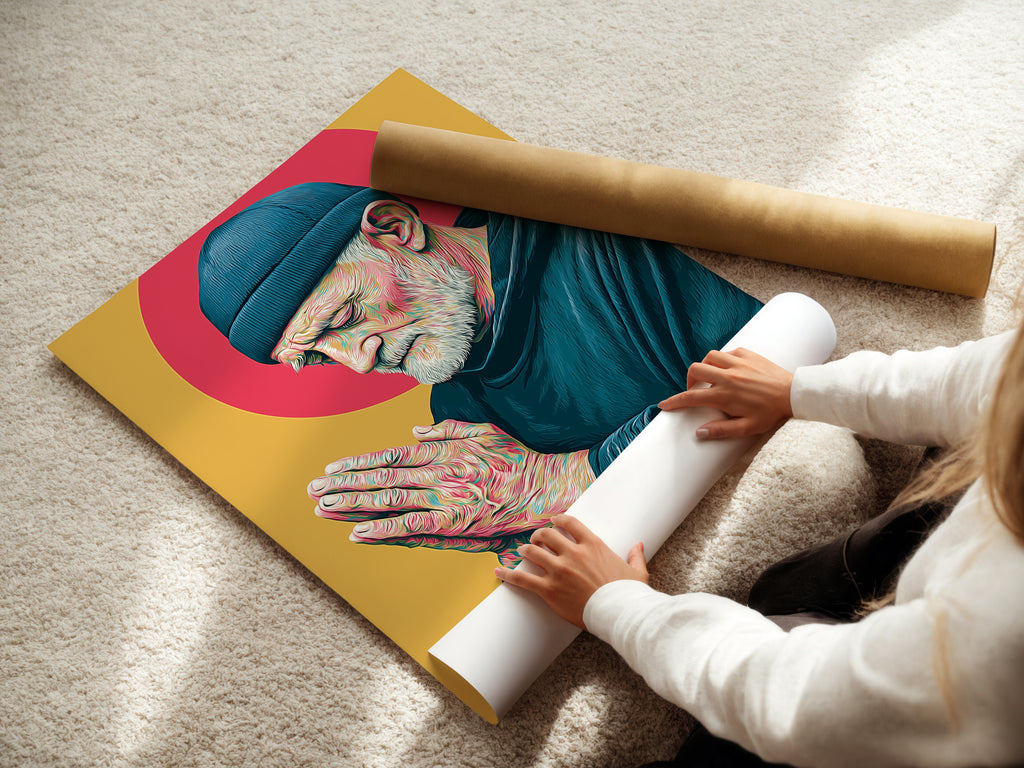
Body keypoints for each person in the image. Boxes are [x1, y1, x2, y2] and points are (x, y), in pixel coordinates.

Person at [497, 324, 1024, 766]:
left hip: (950, 715)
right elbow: (983, 378)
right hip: (956, 597)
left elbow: (795, 701)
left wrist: (617, 604)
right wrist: (797, 390)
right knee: (787, 591)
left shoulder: (998, 637)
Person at [197, 182, 763, 563]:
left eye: (344, 317)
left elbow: (776, 357)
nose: (359, 359)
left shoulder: (596, 237)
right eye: (316, 356)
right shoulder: (460, 427)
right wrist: (525, 549)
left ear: (395, 229)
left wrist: (569, 481)